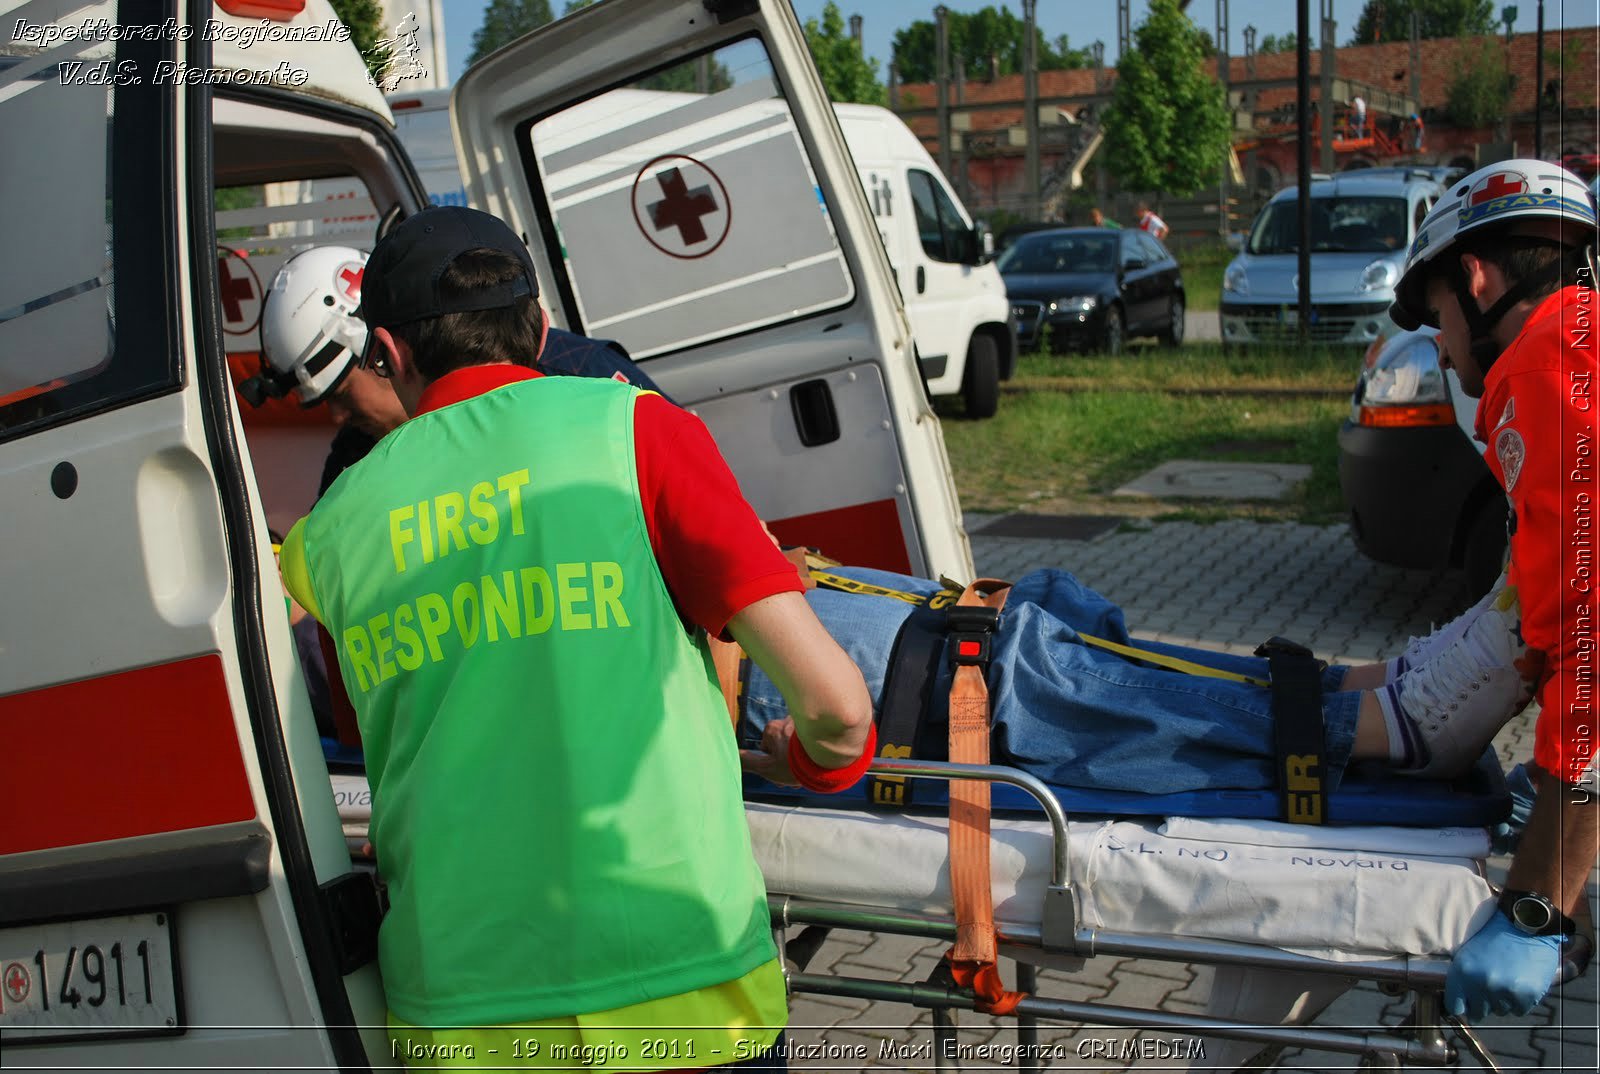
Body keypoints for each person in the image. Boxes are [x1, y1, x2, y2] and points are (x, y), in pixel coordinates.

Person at [275, 207, 874, 1069]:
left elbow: (375, 742)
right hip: (688, 994)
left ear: (392, 353)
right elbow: (840, 710)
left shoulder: (326, 538)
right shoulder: (638, 430)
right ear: (541, 326)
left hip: (462, 1017)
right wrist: (813, 761)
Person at [737, 562, 1535, 795]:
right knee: (1021, 672)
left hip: (806, 597)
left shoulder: (617, 404)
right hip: (762, 664)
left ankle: (1355, 688)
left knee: (1045, 615)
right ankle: (1386, 729)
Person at [1388, 158, 1599, 1023]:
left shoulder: (1548, 368)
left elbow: (1591, 639)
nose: (1440, 341)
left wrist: (1540, 905)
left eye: (1437, 313)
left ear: (1474, 279)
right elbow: (1543, 620)